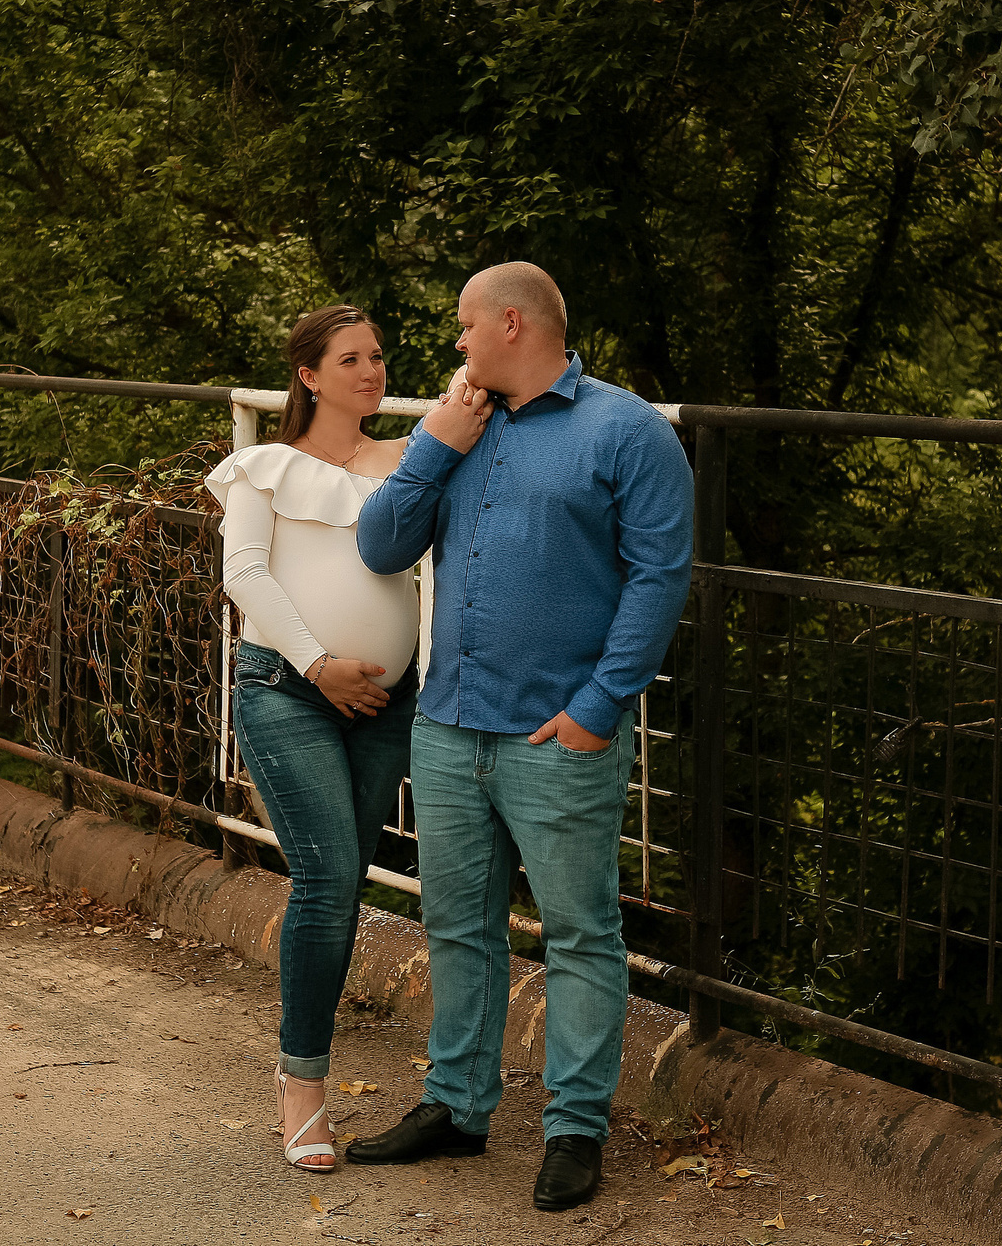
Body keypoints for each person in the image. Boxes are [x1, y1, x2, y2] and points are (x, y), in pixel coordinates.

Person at [349, 262, 693, 1213]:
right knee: (457, 927)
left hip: (557, 738)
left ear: (511, 323)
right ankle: (456, 1106)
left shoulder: (626, 431)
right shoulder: (461, 422)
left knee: (580, 935)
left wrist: (598, 709)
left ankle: (575, 1126)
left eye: (464, 326)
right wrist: (432, 443)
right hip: (450, 726)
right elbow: (381, 545)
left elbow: (659, 575)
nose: (454, 344)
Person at [204, 304, 426, 1174]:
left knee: (346, 878)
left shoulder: (407, 462)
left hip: (386, 702)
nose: (370, 372)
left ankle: (312, 1077)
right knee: (330, 877)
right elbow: (244, 574)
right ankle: (303, 1089)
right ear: (308, 375)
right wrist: (318, 659)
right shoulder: (266, 466)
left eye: (376, 357)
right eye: (350, 359)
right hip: (285, 690)